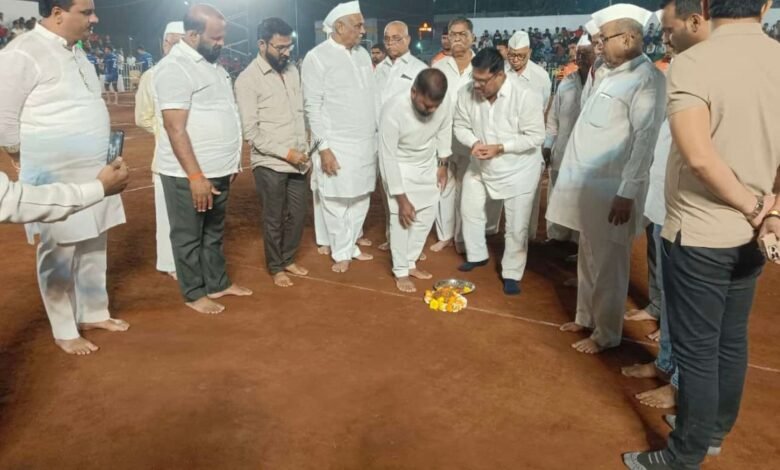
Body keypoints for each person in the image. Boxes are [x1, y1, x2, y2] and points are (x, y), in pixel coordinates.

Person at [623, 0, 780, 468]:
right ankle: (711, 432)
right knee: (731, 340)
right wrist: (770, 213)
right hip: (753, 234)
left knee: (697, 351)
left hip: (702, 232)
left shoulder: (695, 62)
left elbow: (699, 157)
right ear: (765, 5)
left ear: (707, 7)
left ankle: (683, 455)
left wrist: (754, 207)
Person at [0, 0, 131, 356]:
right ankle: (64, 329)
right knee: (58, 252)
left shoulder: (78, 51)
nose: (95, 18)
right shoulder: (22, 52)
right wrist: (21, 162)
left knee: (94, 244)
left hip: (95, 173)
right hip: (53, 179)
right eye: (86, 12)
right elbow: (4, 119)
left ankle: (93, 312)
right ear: (58, 13)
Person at [548, 3, 666, 354]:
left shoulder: (646, 79)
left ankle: (606, 333)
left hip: (613, 190)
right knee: (588, 256)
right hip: (589, 186)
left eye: (603, 39)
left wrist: (627, 192)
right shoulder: (605, 72)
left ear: (628, 38)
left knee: (610, 266)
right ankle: (586, 317)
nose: (598, 46)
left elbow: (645, 141)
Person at [153, 4, 253, 315]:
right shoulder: (175, 67)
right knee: (188, 235)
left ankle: (217, 282)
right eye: (216, 38)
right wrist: (196, 176)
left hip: (219, 169)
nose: (222, 43)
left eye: (223, 37)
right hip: (188, 174)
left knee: (213, 232)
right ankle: (194, 293)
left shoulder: (213, 66)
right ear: (193, 34)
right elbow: (175, 127)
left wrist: (231, 162)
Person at [454, 48, 545, 295]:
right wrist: (473, 142)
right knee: (469, 208)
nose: (477, 85)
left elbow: (536, 137)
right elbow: (460, 125)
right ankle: (477, 254)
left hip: (519, 169)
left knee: (516, 226)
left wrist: (501, 148)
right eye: (474, 79)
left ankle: (512, 273)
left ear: (500, 76)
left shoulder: (525, 95)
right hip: (481, 163)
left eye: (483, 81)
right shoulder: (466, 93)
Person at [301, 1, 377, 273]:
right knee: (335, 199)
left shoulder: (363, 55)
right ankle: (341, 251)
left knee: (361, 197)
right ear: (340, 27)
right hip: (336, 144)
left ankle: (350, 245)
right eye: (358, 25)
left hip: (366, 142)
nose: (363, 30)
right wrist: (323, 148)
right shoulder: (316, 57)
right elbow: (312, 107)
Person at [235, 17, 310, 288]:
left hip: (299, 159)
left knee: (298, 215)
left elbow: (300, 113)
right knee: (274, 217)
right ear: (262, 44)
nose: (286, 52)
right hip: (269, 162)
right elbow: (251, 132)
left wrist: (304, 148)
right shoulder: (247, 80)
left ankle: (288, 258)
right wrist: (286, 153)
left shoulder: (292, 71)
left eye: (289, 46)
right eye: (280, 47)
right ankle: (276, 266)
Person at [379, 69, 451, 293]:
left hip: (427, 163)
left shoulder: (441, 103)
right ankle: (400, 271)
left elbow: (444, 129)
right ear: (413, 92)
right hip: (399, 165)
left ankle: (410, 261)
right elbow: (388, 156)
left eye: (435, 106)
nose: (431, 110)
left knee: (427, 215)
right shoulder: (392, 109)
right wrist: (401, 199)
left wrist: (443, 163)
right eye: (426, 105)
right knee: (401, 220)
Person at [134, 21, 185, 281]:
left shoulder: (196, 74)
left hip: (198, 156)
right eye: (170, 41)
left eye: (179, 42)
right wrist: (166, 133)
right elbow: (142, 117)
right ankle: (169, 262)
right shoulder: (151, 76)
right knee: (167, 214)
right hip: (166, 157)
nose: (173, 46)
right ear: (163, 43)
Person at [374, 20, 427, 251]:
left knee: (409, 192)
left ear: (408, 40)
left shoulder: (419, 69)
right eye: (387, 39)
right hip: (380, 140)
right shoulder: (379, 69)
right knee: (387, 190)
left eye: (396, 38)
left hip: (406, 142)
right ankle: (392, 237)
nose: (391, 43)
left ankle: (411, 246)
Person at [543, 35, 595, 243]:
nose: (580, 57)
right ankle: (556, 236)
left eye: (586, 53)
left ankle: (577, 241)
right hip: (563, 150)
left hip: (587, 154)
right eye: (579, 53)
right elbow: (553, 118)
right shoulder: (566, 82)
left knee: (581, 197)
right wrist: (548, 145)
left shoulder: (601, 82)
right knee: (558, 194)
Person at [431, 17, 475, 253]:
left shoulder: (481, 66)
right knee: (444, 186)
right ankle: (445, 235)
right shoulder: (439, 67)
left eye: (462, 34)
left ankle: (463, 237)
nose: (457, 39)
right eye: (453, 34)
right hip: (444, 138)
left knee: (468, 190)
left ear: (472, 37)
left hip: (472, 139)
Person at [505, 30, 553, 242]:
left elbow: (543, 108)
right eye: (512, 55)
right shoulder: (501, 72)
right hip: (504, 139)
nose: (515, 59)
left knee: (527, 194)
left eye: (520, 55)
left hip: (528, 140)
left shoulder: (540, 77)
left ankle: (527, 236)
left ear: (530, 53)